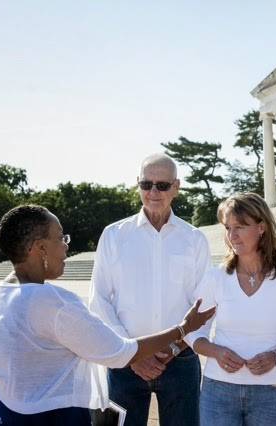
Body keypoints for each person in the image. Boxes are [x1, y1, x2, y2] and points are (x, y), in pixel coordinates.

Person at [0, 204, 215, 425]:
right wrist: (183, 328)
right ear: (40, 248)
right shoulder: (55, 303)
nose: (66, 246)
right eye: (61, 237)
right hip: (52, 419)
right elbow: (120, 353)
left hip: (3, 416)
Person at [89, 153, 211, 426]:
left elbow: (204, 304)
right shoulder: (113, 235)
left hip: (180, 361)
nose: (153, 192)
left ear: (176, 188)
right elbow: (98, 300)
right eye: (147, 184)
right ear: (138, 185)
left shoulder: (195, 240)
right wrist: (133, 354)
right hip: (125, 363)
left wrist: (172, 349)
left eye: (162, 185)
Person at [188, 192, 276, 426]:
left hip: (271, 393)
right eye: (227, 228)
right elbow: (192, 331)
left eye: (240, 227)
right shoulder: (215, 277)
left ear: (261, 227)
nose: (232, 236)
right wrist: (216, 351)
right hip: (218, 392)